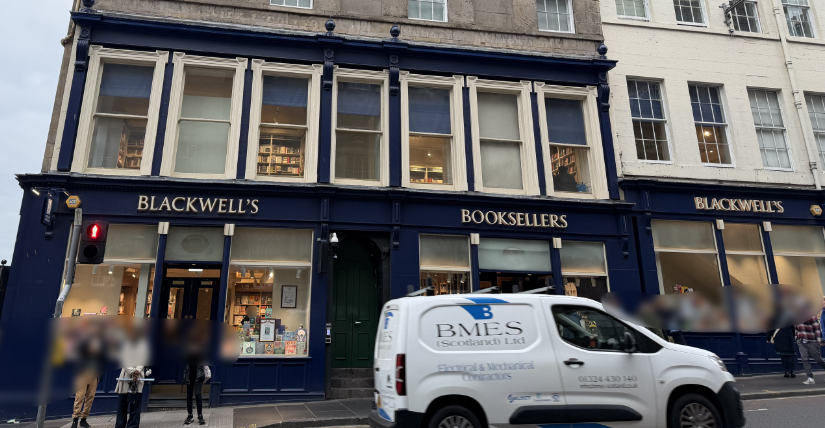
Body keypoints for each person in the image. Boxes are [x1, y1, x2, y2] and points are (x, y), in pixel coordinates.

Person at [794, 316, 825, 385]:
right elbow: (796, 328)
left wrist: (819, 341)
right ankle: (810, 378)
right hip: (801, 341)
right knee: (804, 359)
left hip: (812, 341)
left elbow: (817, 328)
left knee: (818, 359)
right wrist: (796, 337)